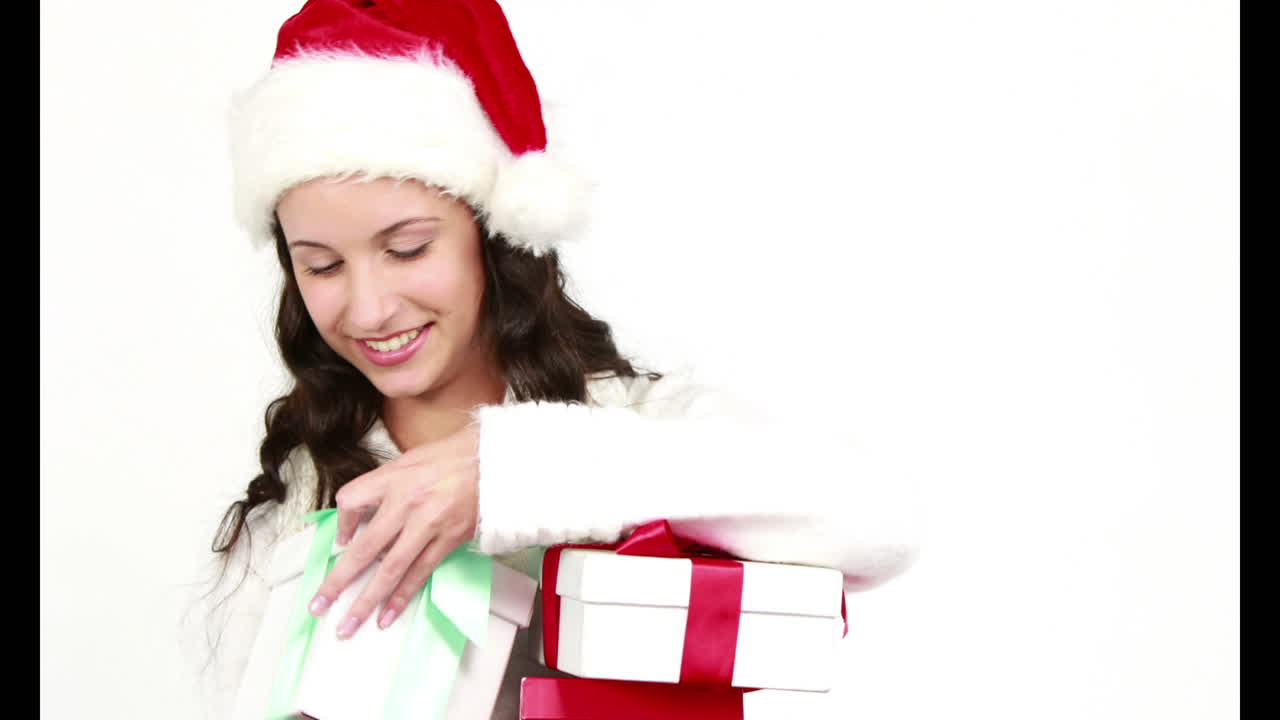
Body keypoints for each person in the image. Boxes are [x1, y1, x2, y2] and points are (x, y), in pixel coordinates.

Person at [201, 1, 920, 717]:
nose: (367, 310)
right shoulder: (294, 509)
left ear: (492, 233)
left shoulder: (632, 422)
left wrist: (508, 473)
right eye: (322, 265)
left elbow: (877, 521)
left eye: (408, 249)